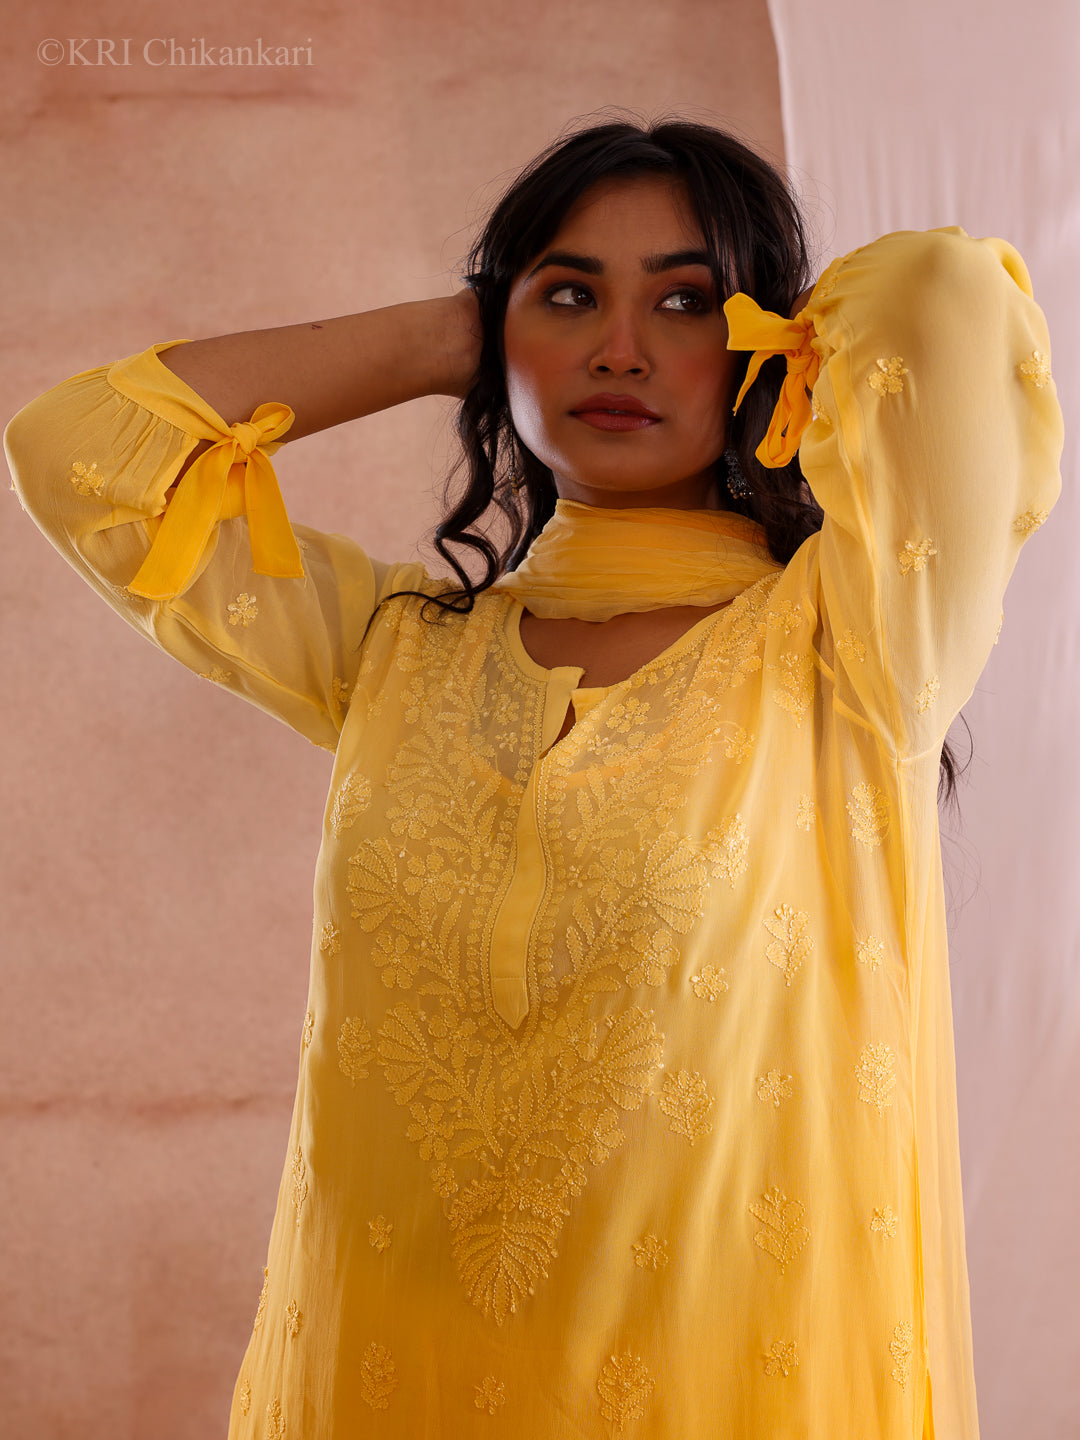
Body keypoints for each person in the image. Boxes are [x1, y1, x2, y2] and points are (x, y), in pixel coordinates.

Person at [5, 117, 1062, 1440]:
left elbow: (946, 294)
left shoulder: (852, 652)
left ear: (766, 346)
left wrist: (774, 330)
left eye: (685, 301)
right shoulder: (391, 652)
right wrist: (453, 335)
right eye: (570, 297)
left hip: (722, 1390)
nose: (620, 349)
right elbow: (79, 450)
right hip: (397, 1381)